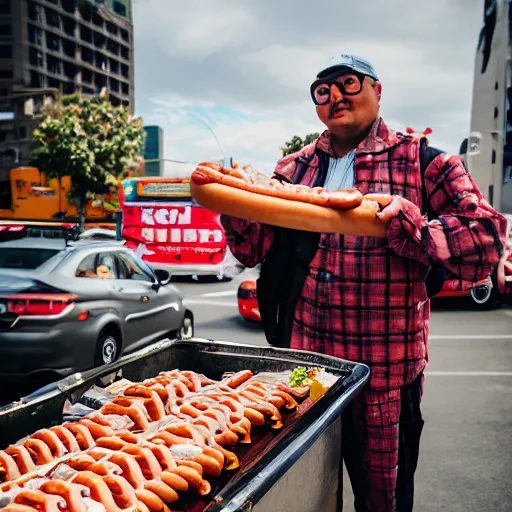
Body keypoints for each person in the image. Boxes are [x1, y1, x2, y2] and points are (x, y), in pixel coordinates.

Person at [221, 54, 509, 511]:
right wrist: (234, 205)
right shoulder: (292, 170)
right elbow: (251, 250)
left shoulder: (423, 162)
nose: (335, 96)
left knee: (384, 501)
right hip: (306, 367)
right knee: (307, 490)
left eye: (348, 83)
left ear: (378, 89)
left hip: (387, 376)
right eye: (323, 90)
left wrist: (415, 229)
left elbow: (487, 238)